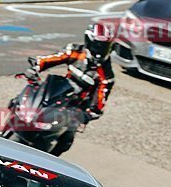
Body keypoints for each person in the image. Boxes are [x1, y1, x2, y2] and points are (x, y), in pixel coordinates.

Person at [25, 23, 116, 156]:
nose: (101, 49)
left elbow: (101, 98)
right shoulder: (74, 50)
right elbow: (53, 58)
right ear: (88, 41)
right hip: (58, 92)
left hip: (76, 107)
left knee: (66, 141)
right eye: (98, 45)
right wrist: (36, 67)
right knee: (23, 100)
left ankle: (49, 162)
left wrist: (90, 113)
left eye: (105, 46)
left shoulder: (106, 75)